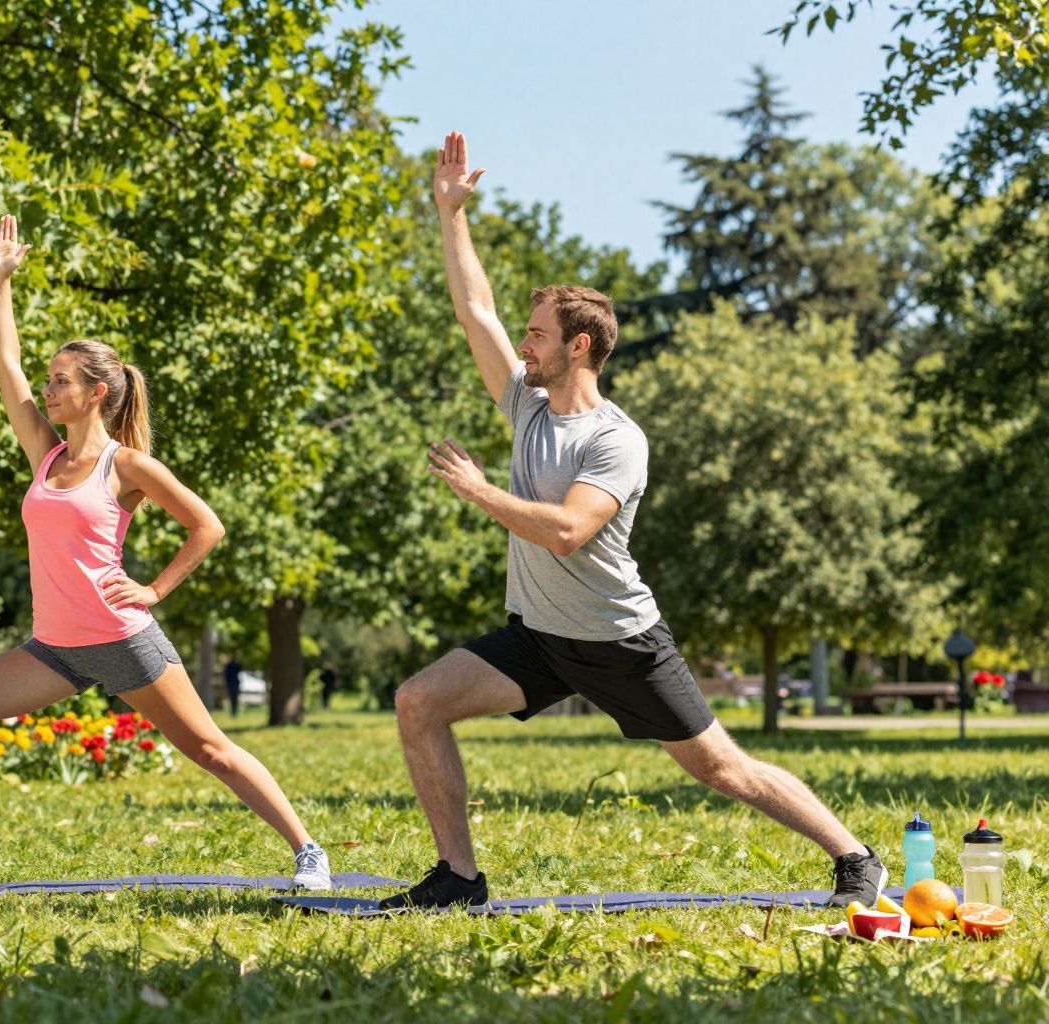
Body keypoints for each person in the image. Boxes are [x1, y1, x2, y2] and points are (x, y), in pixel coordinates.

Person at [378, 132, 887, 912]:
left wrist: (478, 491)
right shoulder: (526, 404)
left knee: (722, 769)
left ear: (578, 346)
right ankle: (459, 878)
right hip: (541, 639)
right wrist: (451, 215)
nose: (524, 343)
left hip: (618, 642)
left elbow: (568, 531)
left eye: (539, 333)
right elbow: (473, 308)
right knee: (420, 700)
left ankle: (855, 855)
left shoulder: (615, 439)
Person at [0, 215, 331, 895]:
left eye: (62, 381)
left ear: (97, 392)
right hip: (54, 651)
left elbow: (206, 527)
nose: (48, 389)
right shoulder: (47, 454)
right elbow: (5, 368)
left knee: (209, 748)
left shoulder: (126, 465)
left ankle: (308, 851)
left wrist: (155, 589)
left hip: (122, 638)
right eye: (50, 380)